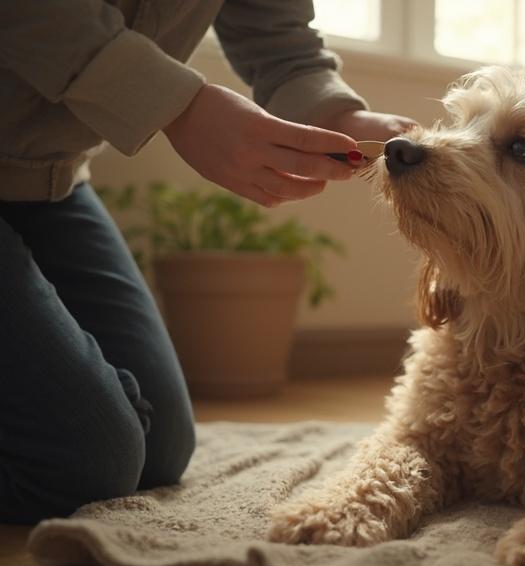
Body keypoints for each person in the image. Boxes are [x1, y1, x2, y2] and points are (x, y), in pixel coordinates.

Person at [0, 1, 416, 524]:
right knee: (85, 463)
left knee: (162, 450)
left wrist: (338, 114)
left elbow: (274, 26)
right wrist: (179, 107)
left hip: (50, 179)